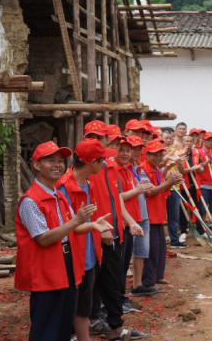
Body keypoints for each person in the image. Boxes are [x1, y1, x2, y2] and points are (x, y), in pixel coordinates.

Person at [16, 141, 112, 341]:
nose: (57, 165)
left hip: (66, 262)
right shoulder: (30, 200)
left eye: (60, 160)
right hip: (46, 268)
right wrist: (77, 220)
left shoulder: (58, 195)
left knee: (64, 322)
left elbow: (71, 229)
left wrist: (91, 225)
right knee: (46, 325)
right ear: (36, 165)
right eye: (51, 160)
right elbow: (43, 238)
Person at [83, 121, 145, 339]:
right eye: (92, 137)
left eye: (101, 138)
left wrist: (130, 221)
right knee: (91, 283)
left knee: (111, 281)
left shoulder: (110, 166)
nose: (99, 142)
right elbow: (84, 203)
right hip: (96, 233)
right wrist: (99, 229)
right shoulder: (87, 167)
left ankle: (115, 327)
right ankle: (92, 322)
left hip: (114, 231)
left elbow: (116, 198)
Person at [112, 136, 156, 306]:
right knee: (118, 264)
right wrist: (138, 190)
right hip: (122, 221)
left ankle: (121, 297)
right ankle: (117, 299)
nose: (126, 153)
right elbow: (116, 198)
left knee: (124, 262)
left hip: (132, 219)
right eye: (121, 149)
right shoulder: (114, 169)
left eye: (128, 150)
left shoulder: (129, 168)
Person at [141, 140, 182, 290]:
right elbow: (150, 192)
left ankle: (157, 276)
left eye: (160, 155)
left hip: (158, 213)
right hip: (149, 215)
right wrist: (168, 182)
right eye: (155, 155)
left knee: (159, 247)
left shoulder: (157, 169)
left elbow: (162, 189)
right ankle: (147, 281)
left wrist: (171, 182)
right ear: (147, 155)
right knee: (151, 249)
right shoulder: (143, 170)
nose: (158, 158)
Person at [197, 132, 212, 223]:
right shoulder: (199, 152)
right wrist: (208, 160)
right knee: (203, 205)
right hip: (204, 183)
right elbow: (199, 167)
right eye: (208, 140)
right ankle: (203, 223)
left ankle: (211, 222)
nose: (210, 142)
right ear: (204, 141)